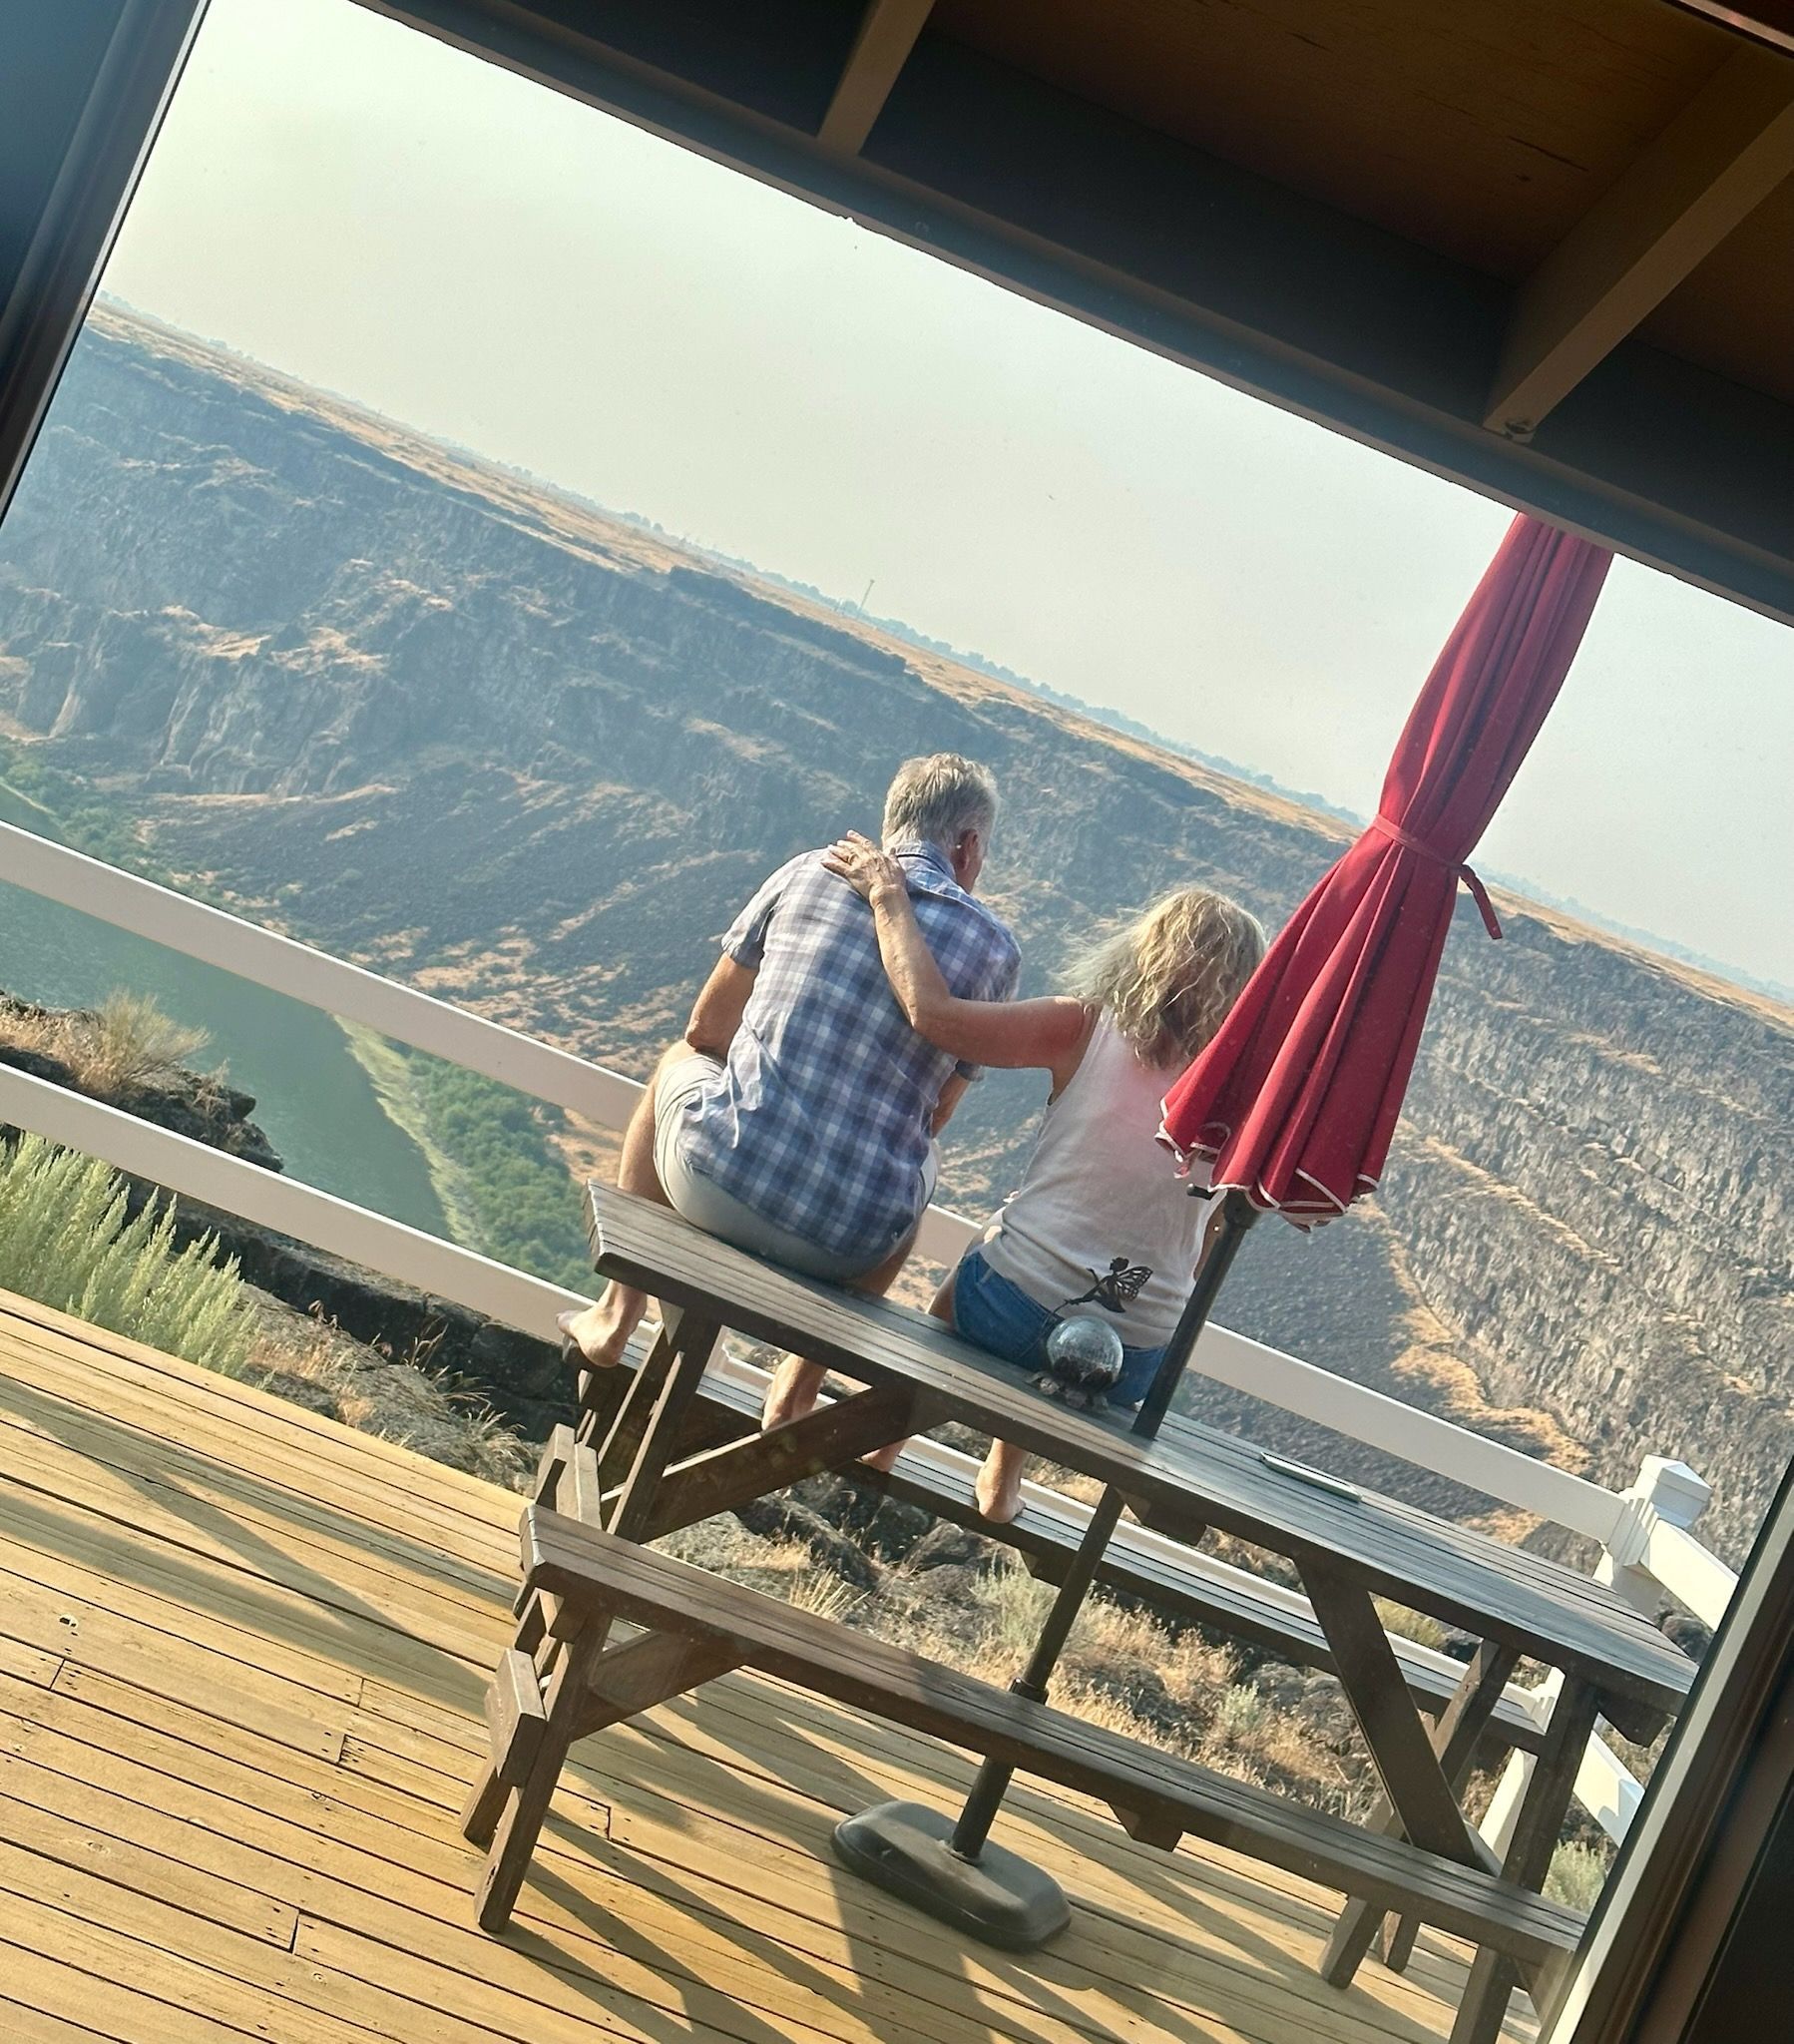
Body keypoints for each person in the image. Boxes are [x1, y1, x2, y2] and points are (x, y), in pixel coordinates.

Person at [821, 830, 1264, 1522]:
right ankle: (1000, 1486)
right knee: (1058, 1259)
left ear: (1148, 952)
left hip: (1010, 1314)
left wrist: (888, 897)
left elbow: (934, 1015)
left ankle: (878, 1452)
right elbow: (1203, 1247)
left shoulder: (1084, 1027)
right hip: (1134, 1365)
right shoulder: (1255, 1101)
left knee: (993, 1253)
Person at [558, 757, 1021, 1383]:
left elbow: (705, 1031)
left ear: (893, 825)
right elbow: (935, 1116)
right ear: (967, 846)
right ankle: (798, 1386)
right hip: (850, 1247)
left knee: (677, 1060)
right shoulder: (996, 950)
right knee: (921, 1163)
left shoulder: (808, 872)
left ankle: (616, 1316)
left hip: (714, 1187)